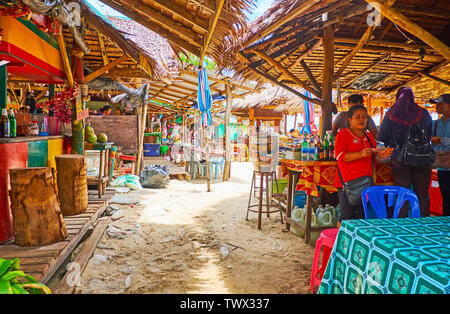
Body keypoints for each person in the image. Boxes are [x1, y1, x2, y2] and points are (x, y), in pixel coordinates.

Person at [378, 87, 433, 217]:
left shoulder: (391, 113)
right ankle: (424, 225)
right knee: (422, 195)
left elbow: (382, 137)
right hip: (423, 159)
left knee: (402, 195)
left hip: (400, 160)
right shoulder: (423, 113)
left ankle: (401, 227)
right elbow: (429, 136)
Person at [334, 105, 379, 222]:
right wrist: (360, 154)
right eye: (357, 117)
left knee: (362, 216)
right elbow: (340, 157)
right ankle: (341, 239)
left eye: (364, 117)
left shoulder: (369, 136)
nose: (362, 119)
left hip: (366, 183)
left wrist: (381, 154)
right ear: (350, 120)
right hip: (347, 184)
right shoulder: (343, 134)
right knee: (346, 216)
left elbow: (373, 156)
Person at [430, 94, 450, 216]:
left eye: (440, 103)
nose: (437, 106)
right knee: (446, 197)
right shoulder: (434, 123)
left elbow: (438, 140)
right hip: (442, 166)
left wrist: (441, 140)